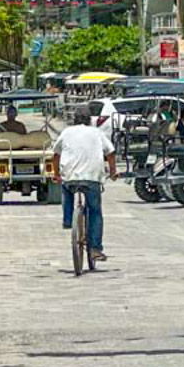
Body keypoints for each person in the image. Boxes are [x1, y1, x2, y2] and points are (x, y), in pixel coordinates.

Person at [52, 107, 118, 263]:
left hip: (70, 177)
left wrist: (56, 175)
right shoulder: (96, 133)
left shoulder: (67, 132)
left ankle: (68, 219)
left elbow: (55, 154)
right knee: (95, 211)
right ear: (89, 120)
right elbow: (110, 152)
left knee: (66, 188)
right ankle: (95, 248)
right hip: (92, 177)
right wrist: (113, 172)